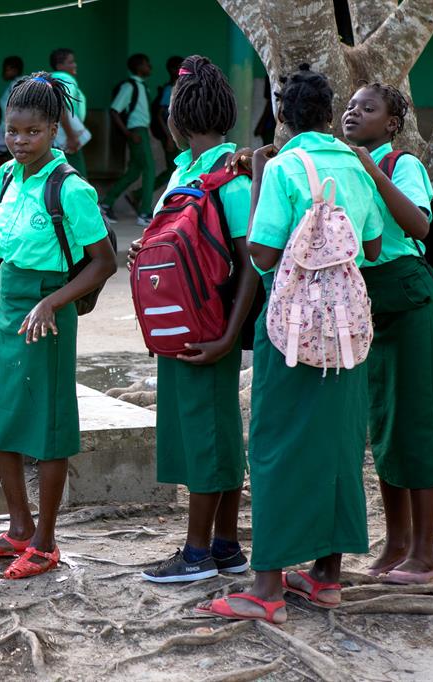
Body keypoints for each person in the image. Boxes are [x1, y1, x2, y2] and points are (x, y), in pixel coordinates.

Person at [197, 65, 383, 623]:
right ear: (329, 115)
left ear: (282, 116)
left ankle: (266, 589)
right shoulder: (355, 163)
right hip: (348, 330)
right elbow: (371, 245)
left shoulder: (280, 167)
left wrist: (259, 181)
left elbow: (262, 254)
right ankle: (327, 576)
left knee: (275, 445)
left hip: (292, 329)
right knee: (341, 445)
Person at [0, 73, 117, 579]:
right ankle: (19, 530)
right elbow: (3, 255)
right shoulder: (7, 177)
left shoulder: (70, 189)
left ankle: (46, 543)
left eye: (31, 132)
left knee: (45, 430)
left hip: (48, 316)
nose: (19, 141)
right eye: (12, 131)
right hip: (7, 309)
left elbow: (103, 263)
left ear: (54, 130)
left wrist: (52, 302)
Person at [128, 56, 258, 583]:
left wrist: (229, 337)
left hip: (209, 327)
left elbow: (251, 258)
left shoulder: (232, 174)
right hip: (181, 325)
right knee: (211, 433)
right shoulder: (187, 170)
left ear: (176, 118)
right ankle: (226, 548)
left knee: (207, 436)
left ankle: (196, 554)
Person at [342, 83, 433, 585]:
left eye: (367, 109)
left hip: (410, 301)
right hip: (369, 304)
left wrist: (371, 169)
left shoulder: (401, 164)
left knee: (419, 425)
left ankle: (426, 559)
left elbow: (418, 226)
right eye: (349, 106)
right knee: (385, 423)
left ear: (390, 124)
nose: (353, 113)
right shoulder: (343, 166)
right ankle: (396, 545)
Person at [102, 53, 154, 227]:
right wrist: (128, 133)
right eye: (147, 64)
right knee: (149, 169)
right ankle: (145, 212)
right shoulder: (130, 86)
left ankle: (106, 202)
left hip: (142, 131)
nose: (150, 67)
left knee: (134, 172)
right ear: (139, 66)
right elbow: (114, 110)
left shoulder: (142, 86)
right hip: (136, 132)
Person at [50, 48, 88, 177]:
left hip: (53, 138)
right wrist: (71, 136)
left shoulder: (51, 80)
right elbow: (61, 107)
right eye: (70, 62)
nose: (75, 65)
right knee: (80, 180)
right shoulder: (65, 79)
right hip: (65, 138)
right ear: (59, 66)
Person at [150, 55, 185, 193]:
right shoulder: (170, 89)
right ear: (172, 70)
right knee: (173, 170)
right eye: (180, 67)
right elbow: (161, 114)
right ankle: (138, 194)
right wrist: (169, 137)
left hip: (177, 134)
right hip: (170, 134)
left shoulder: (180, 87)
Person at [0, 55, 24, 126]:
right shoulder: (12, 85)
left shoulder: (17, 84)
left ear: (15, 70)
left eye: (5, 69)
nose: (3, 72)